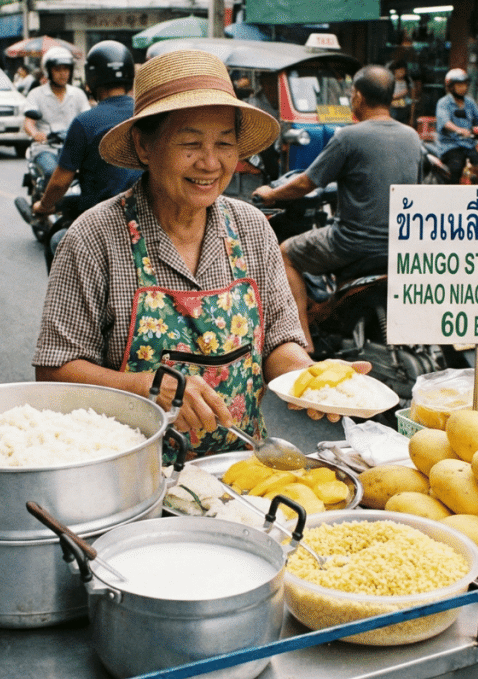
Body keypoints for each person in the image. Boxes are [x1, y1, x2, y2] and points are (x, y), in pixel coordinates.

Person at [34, 49, 356, 457]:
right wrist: (147, 386)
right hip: (131, 477)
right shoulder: (95, 237)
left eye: (224, 144)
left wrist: (309, 378)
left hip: (240, 471)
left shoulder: (251, 228)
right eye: (190, 143)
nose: (210, 163)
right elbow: (54, 369)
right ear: (144, 146)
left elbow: (279, 338)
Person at [252, 65, 423, 351]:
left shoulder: (349, 137)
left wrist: (271, 195)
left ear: (357, 96)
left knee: (285, 254)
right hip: (400, 246)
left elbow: (306, 183)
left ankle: (301, 340)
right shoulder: (413, 138)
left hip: (352, 244)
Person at [32, 41, 143, 268]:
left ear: (91, 79)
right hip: (153, 219)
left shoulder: (84, 122)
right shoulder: (147, 114)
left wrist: (43, 207)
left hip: (103, 221)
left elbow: (59, 183)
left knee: (56, 241)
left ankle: (66, 303)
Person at [23, 47, 90, 190]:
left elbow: (87, 119)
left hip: (74, 147)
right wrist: (36, 134)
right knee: (52, 173)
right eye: (58, 69)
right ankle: (47, 207)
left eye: (66, 69)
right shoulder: (36, 94)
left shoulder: (78, 94)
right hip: (46, 147)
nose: (63, 74)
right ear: (48, 71)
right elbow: (29, 122)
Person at [434, 68, 478, 184]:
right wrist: (459, 130)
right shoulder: (443, 103)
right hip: (450, 146)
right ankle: (453, 196)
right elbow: (445, 122)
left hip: (469, 145)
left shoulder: (469, 103)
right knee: (456, 166)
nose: (463, 87)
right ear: (450, 87)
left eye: (465, 84)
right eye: (459, 85)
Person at [387, 60, 414, 126]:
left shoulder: (408, 81)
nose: (403, 73)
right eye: (400, 70)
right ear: (394, 71)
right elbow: (387, 97)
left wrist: (411, 117)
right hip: (392, 109)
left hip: (404, 109)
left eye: (404, 70)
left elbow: (412, 99)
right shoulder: (389, 81)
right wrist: (401, 94)